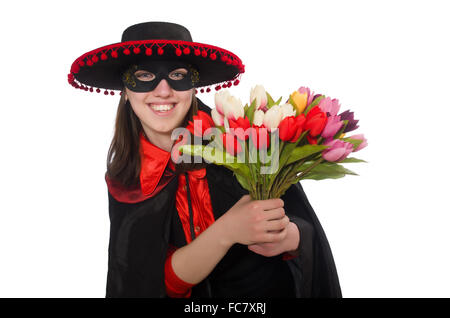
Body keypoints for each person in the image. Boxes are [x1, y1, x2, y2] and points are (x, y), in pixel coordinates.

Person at [68, 21, 342, 298]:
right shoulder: (126, 178)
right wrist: (226, 231)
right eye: (143, 76)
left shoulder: (242, 137)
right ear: (125, 92)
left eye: (177, 75)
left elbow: (304, 227)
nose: (163, 91)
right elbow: (144, 281)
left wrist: (288, 236)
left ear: (194, 86)